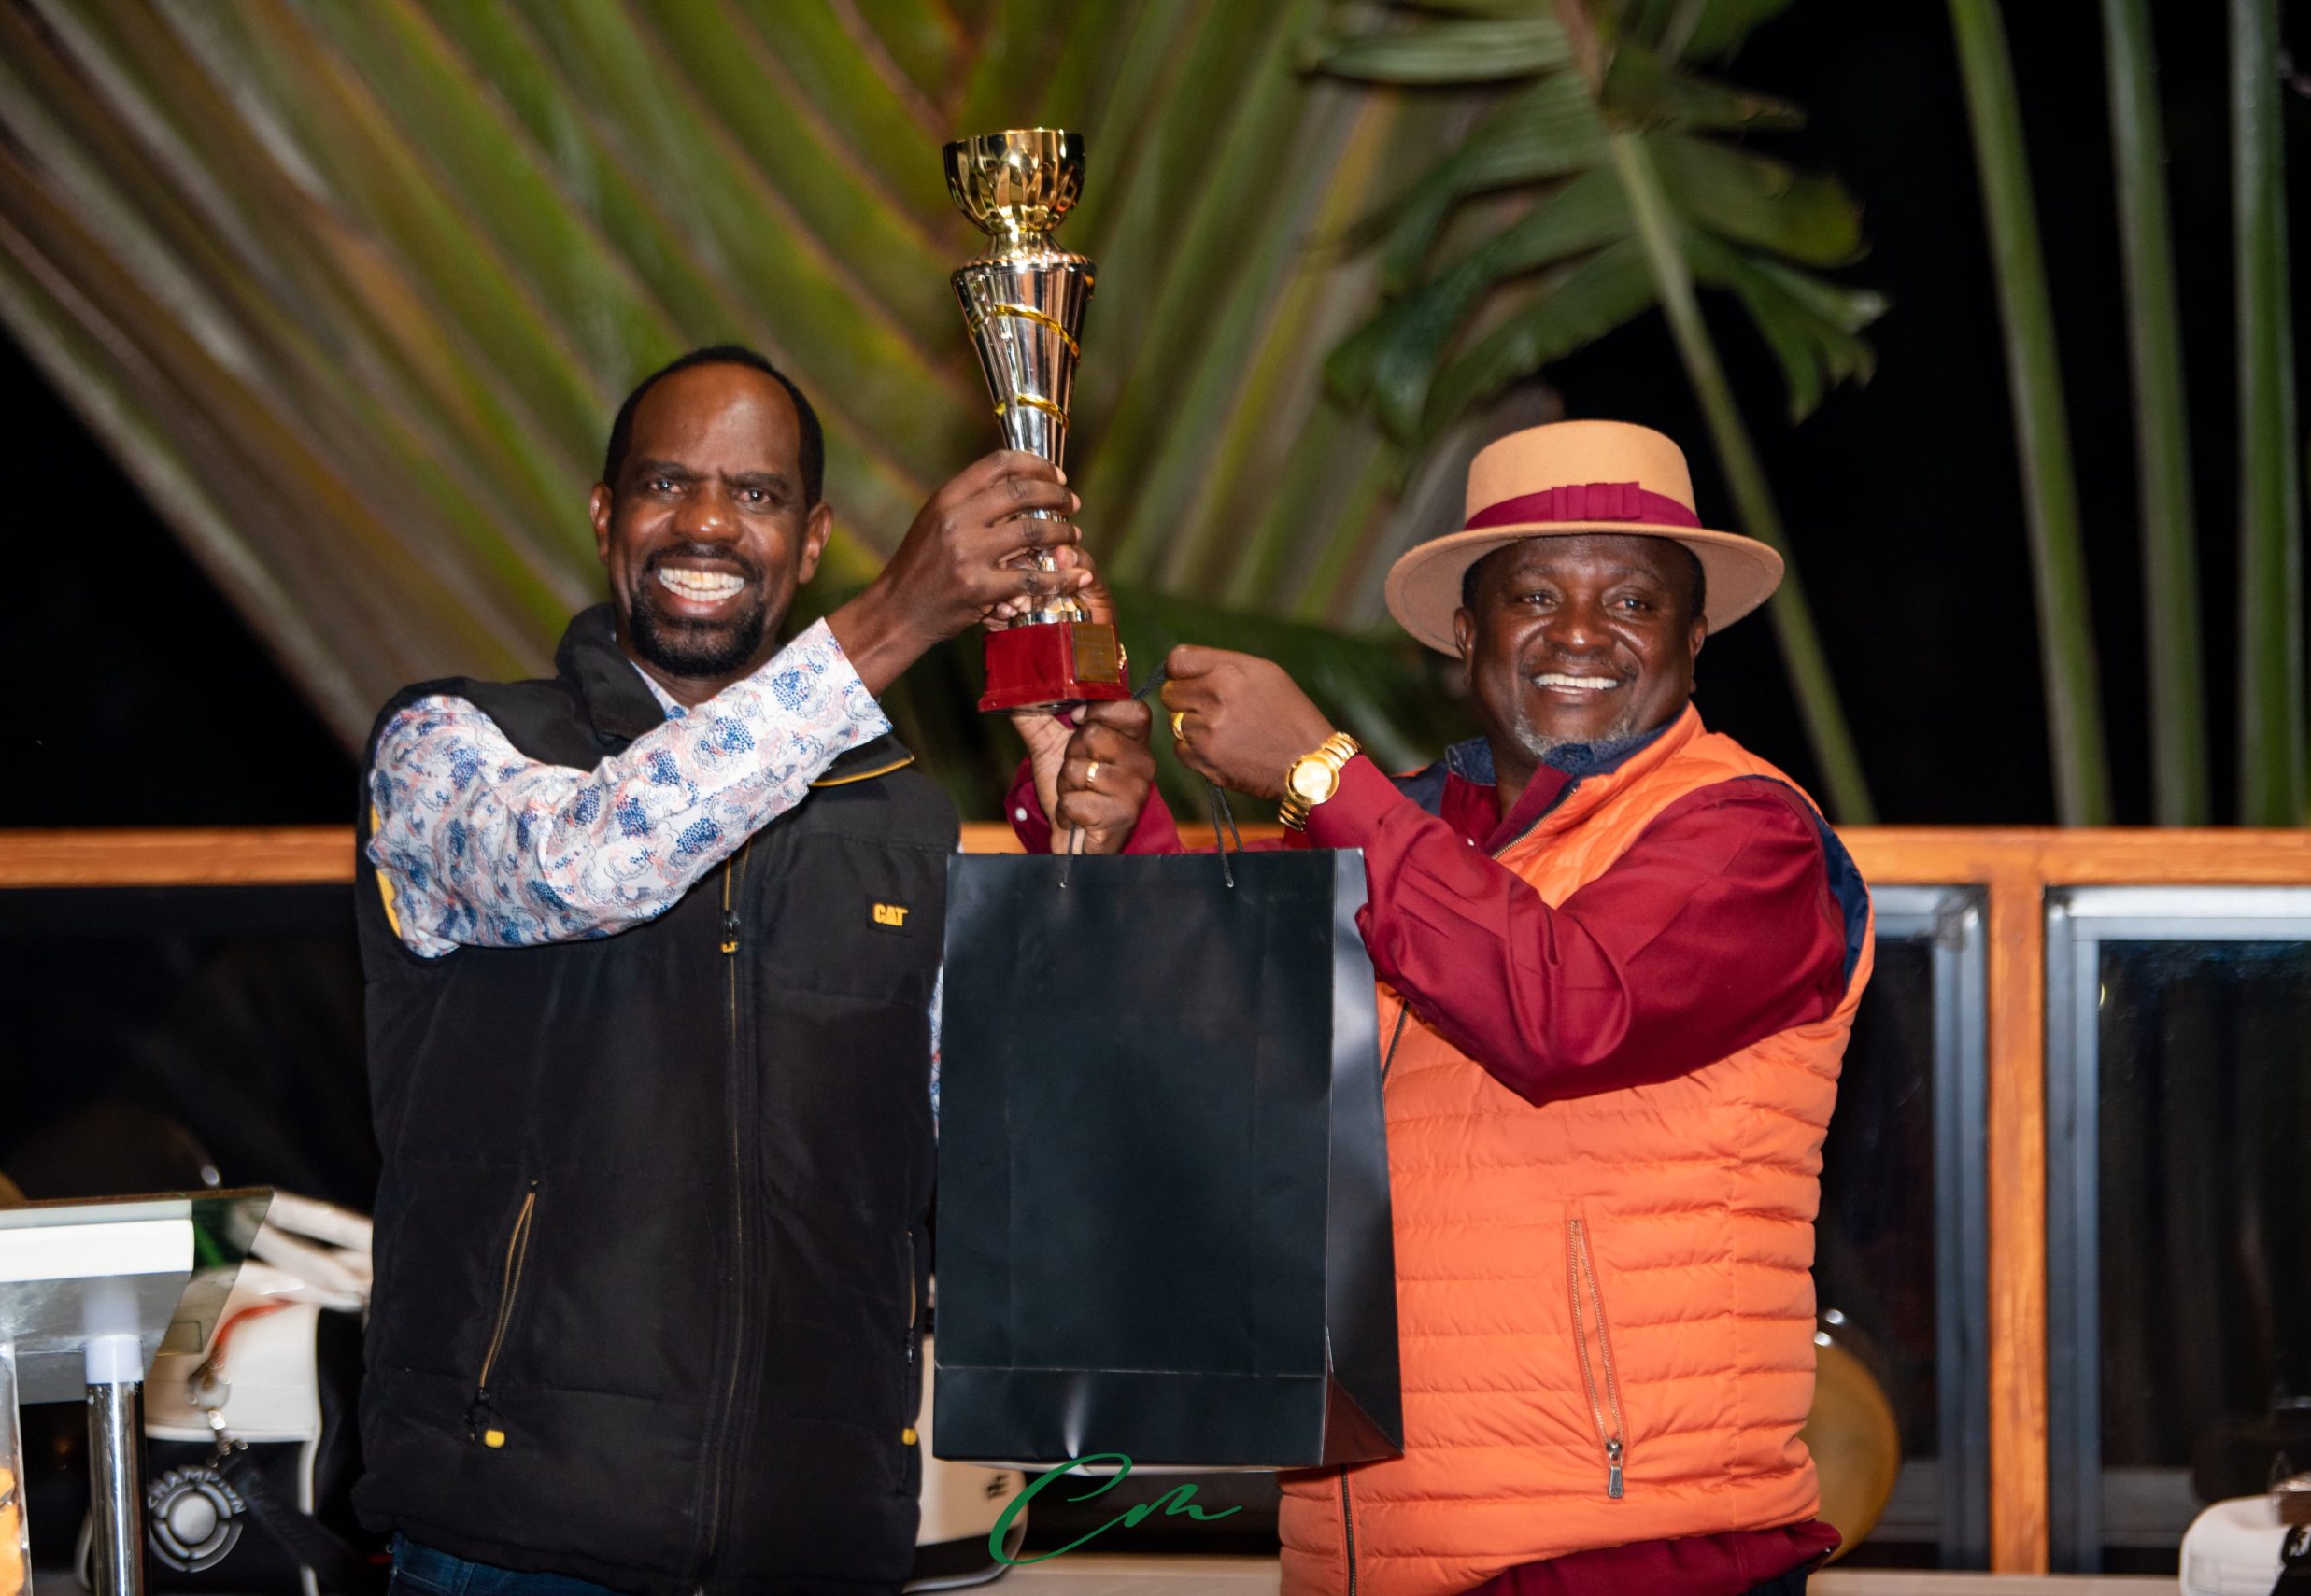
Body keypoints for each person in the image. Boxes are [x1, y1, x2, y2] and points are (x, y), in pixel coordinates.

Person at [1014, 420, 1871, 1596]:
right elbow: (1210, 1068)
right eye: (1532, 595)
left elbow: (1564, 1012)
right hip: (1353, 1556)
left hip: (1629, 1559)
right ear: (1468, 632)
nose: (1579, 633)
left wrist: (1318, 768)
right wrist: (1107, 828)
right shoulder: (1408, 833)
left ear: (1694, 635)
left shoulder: (1745, 832)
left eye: (1630, 599)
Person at [352, 344, 1123, 1596]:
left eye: (756, 496)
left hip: (814, 1541)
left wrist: (1081, 844)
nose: (707, 522)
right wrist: (893, 622)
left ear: (811, 538)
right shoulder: (454, 745)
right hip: (519, 1538)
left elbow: (1006, 1150)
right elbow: (591, 862)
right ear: (606, 516)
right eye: (668, 484)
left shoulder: (900, 822)